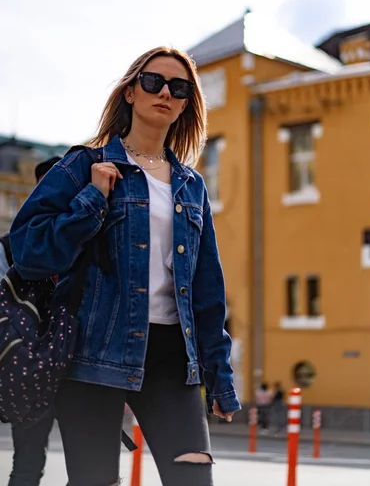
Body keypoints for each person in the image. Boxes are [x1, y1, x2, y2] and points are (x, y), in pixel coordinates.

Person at [10, 46, 241, 486]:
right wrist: (92, 200)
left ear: (187, 103)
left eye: (179, 88)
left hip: (174, 358)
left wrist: (219, 375)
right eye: (153, 82)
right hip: (92, 353)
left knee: (193, 481)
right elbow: (28, 250)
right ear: (131, 92)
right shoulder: (85, 164)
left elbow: (208, 290)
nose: (165, 93)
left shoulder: (192, 187)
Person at [0, 156, 61, 486]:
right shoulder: (10, 246)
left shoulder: (89, 239)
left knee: (92, 462)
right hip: (29, 369)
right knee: (28, 461)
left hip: (77, 367)